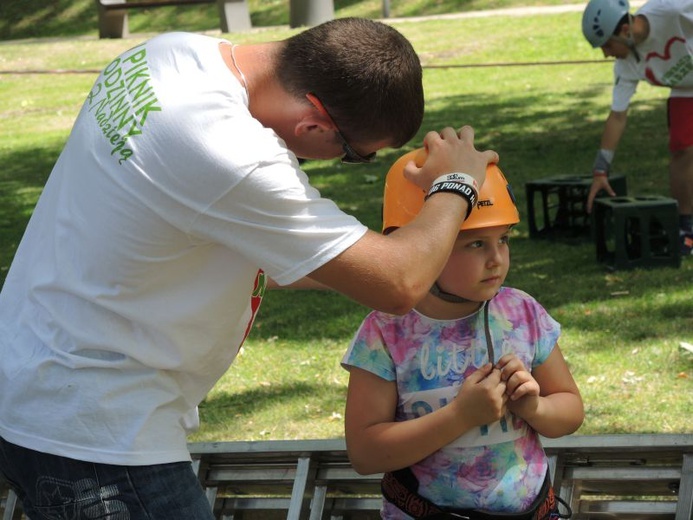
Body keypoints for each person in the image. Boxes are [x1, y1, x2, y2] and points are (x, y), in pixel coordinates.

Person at [0, 19, 499, 519]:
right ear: (314, 127)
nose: (346, 161)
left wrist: (390, 250)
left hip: (33, 380)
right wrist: (455, 184)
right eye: (355, 155)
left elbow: (278, 258)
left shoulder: (167, 55)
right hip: (95, 434)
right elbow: (399, 285)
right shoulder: (230, 152)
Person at [342, 149, 584, 519]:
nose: (497, 258)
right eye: (475, 243)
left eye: (503, 239)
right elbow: (365, 453)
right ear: (416, 244)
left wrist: (534, 407)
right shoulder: (386, 331)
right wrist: (460, 416)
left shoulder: (522, 314)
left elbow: (570, 410)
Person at [581, 0, 693, 256]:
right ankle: (686, 228)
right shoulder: (626, 63)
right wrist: (600, 170)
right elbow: (617, 116)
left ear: (624, 31)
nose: (606, 54)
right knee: (682, 148)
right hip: (687, 88)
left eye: (607, 45)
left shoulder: (674, 10)